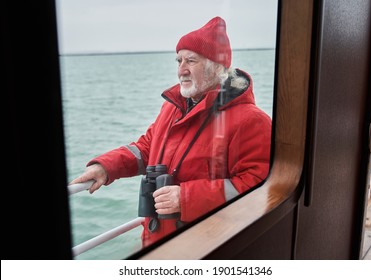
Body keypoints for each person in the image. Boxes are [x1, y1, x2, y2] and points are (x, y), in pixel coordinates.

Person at [69, 16, 272, 248]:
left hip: (203, 247)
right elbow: (146, 148)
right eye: (178, 61)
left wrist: (185, 198)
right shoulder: (173, 107)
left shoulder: (252, 121)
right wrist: (105, 168)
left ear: (217, 67)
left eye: (191, 61)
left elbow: (259, 186)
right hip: (156, 242)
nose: (181, 70)